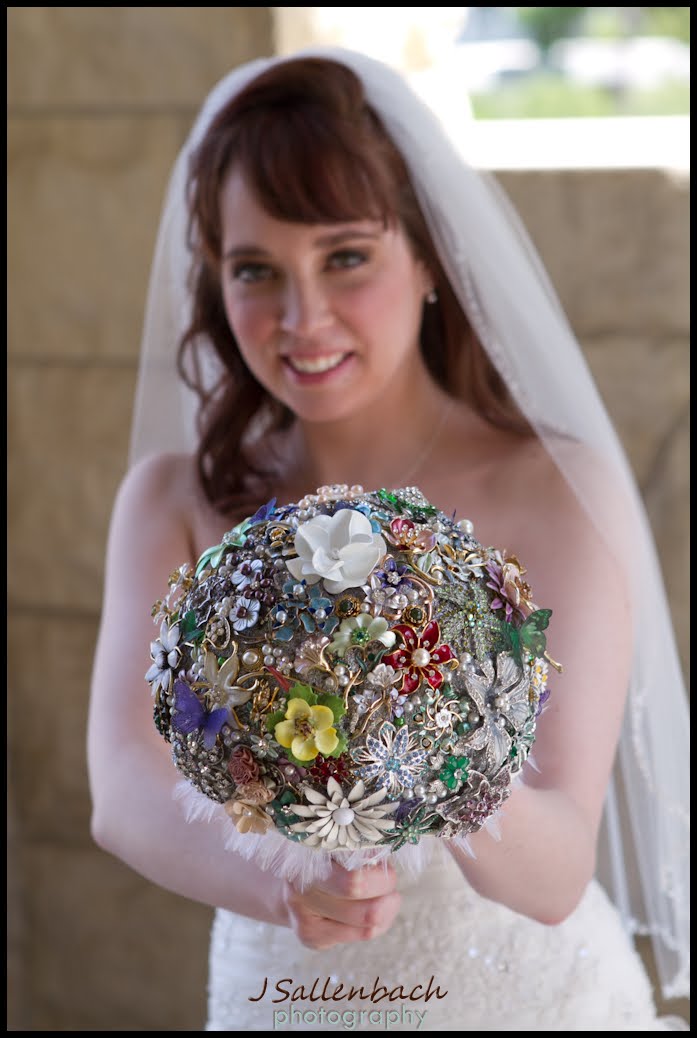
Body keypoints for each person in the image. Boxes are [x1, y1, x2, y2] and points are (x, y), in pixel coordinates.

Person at [87, 47, 689, 1031]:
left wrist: (426, 745)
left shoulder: (556, 488)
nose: (302, 318)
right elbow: (122, 793)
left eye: (345, 257)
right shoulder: (172, 500)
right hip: (281, 986)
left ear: (425, 258)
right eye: (255, 270)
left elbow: (555, 874)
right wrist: (285, 886)